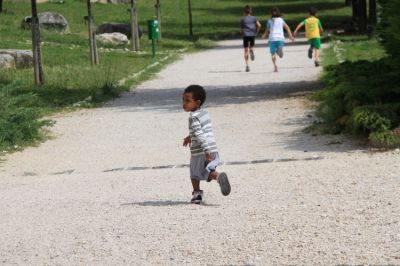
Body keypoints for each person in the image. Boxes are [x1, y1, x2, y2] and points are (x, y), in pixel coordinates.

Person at [182, 85, 231, 204]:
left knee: (194, 173)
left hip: (201, 150)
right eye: (183, 100)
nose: (184, 103)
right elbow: (202, 130)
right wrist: (190, 136)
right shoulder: (204, 113)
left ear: (197, 103)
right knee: (208, 170)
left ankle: (197, 194)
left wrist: (206, 150)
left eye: (188, 101)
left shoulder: (193, 117)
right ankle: (218, 177)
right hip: (212, 147)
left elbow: (199, 134)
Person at [261, 7, 295, 72]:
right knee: (280, 54)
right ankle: (280, 50)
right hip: (280, 38)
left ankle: (275, 66)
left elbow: (266, 31)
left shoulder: (269, 21)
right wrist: (291, 37)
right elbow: (287, 28)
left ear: (271, 13)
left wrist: (264, 36)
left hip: (272, 39)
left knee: (273, 54)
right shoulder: (281, 20)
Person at [240, 5, 261, 72]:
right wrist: (256, 32)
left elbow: (241, 29)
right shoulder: (254, 18)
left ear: (244, 12)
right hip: (252, 34)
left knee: (246, 50)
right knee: (251, 47)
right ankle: (251, 50)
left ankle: (247, 65)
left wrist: (242, 33)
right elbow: (259, 25)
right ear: (250, 11)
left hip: (246, 35)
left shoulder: (242, 19)